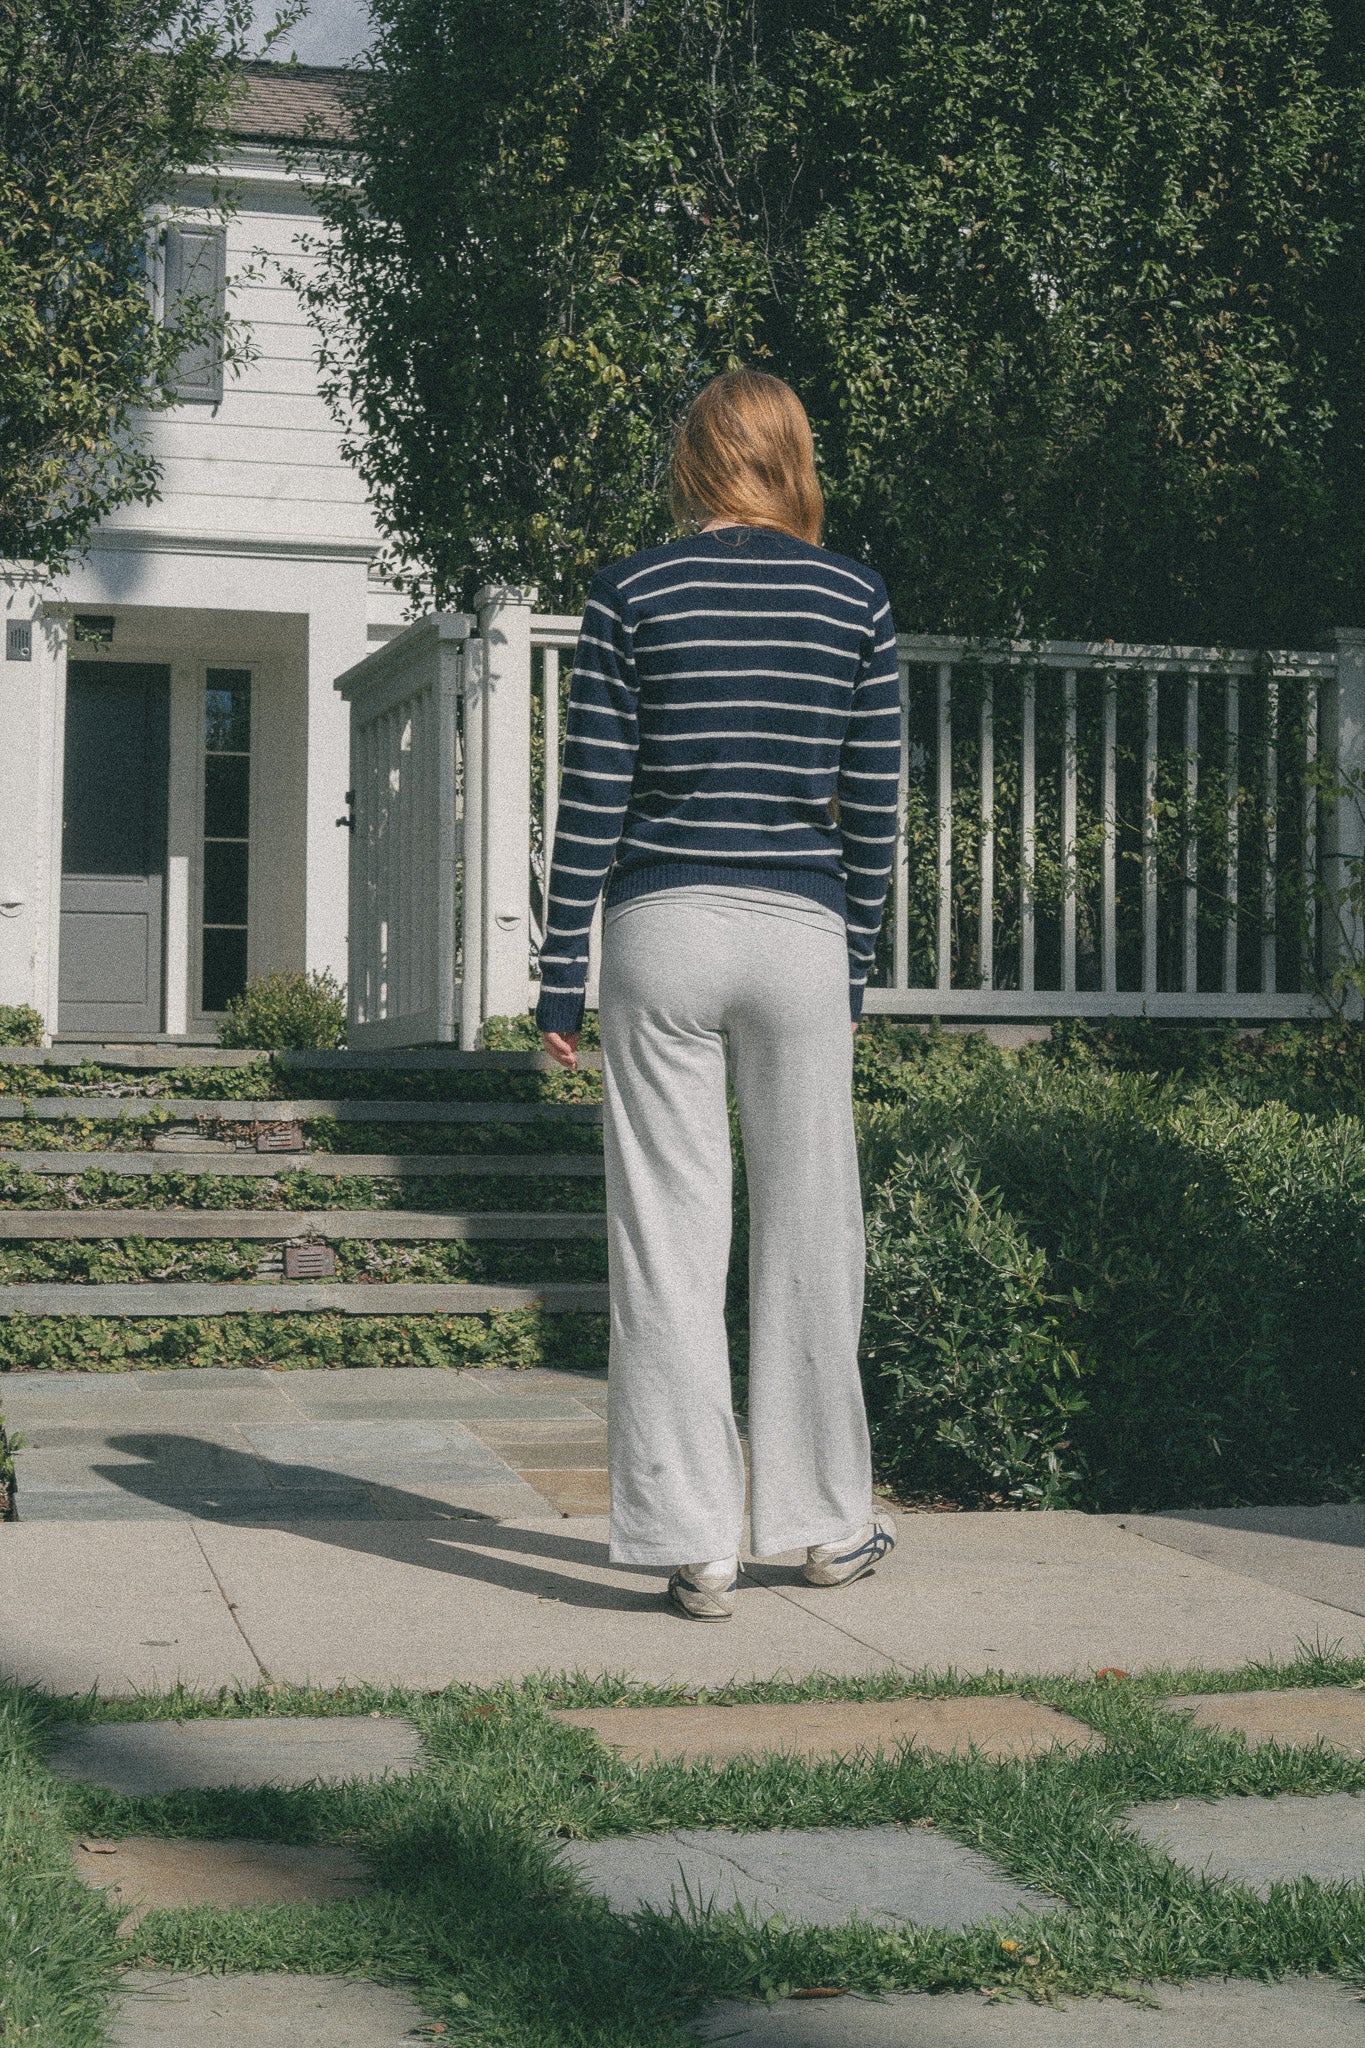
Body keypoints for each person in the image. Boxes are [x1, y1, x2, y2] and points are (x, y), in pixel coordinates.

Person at [535, 369, 901, 1621]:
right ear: (792, 457)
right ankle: (825, 1525)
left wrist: (556, 986)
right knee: (811, 1237)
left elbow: (592, 794)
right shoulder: (857, 598)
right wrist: (854, 969)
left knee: (668, 1242)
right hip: (802, 926)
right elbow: (876, 812)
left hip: (663, 926)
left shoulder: (632, 591)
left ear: (694, 460)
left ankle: (696, 1542)